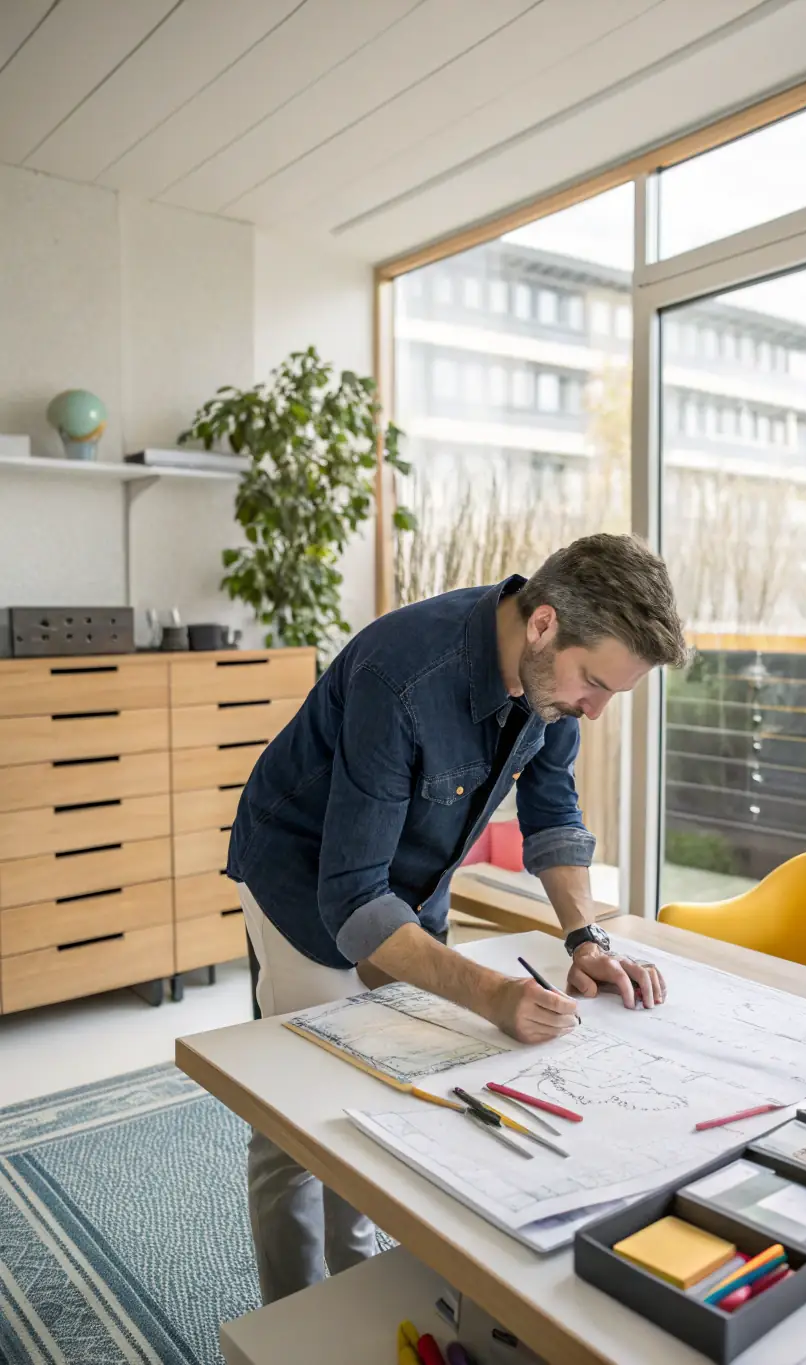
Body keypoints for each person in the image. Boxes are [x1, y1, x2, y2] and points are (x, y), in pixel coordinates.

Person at [227, 532, 686, 1303]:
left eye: (616, 694)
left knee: (393, 1089)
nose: (596, 711)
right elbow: (351, 897)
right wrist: (493, 994)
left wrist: (585, 937)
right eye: (596, 684)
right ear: (543, 624)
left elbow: (551, 811)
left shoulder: (553, 681)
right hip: (302, 872)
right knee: (300, 1118)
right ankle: (293, 1320)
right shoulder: (400, 673)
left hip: (409, 874)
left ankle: (362, 1284)